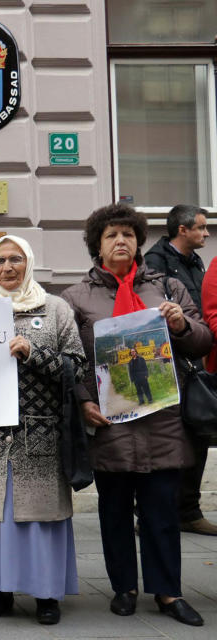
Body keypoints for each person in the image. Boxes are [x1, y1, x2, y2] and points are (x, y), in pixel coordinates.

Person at [61, 203, 211, 627]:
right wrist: (85, 401)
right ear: (97, 245)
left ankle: (169, 592)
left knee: (162, 512)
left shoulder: (167, 288)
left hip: (163, 418)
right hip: (110, 422)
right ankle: (123, 588)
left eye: (128, 234)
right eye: (111, 235)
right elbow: (71, 360)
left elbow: (202, 341)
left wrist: (181, 324)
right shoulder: (75, 298)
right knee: (114, 511)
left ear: (138, 240)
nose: (121, 241)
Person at [0, 235, 85, 625]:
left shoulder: (56, 309)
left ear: (28, 262)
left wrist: (34, 353)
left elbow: (76, 368)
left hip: (40, 437)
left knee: (37, 519)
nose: (7, 267)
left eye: (15, 259)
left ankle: (47, 595)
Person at [144, 205, 216, 537]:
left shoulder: (194, 261)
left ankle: (188, 509)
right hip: (164, 364)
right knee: (164, 441)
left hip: (193, 358)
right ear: (183, 230)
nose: (206, 233)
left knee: (198, 432)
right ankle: (152, 512)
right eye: (201, 228)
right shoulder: (157, 262)